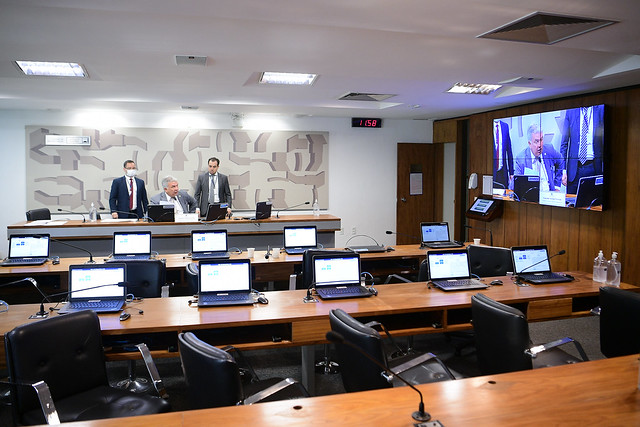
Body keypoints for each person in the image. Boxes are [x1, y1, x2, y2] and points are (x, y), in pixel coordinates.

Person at [560, 105, 604, 194]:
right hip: (574, 171)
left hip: (594, 169)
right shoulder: (571, 111)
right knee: (571, 201)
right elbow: (564, 144)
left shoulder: (600, 109)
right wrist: (563, 170)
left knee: (593, 201)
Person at [514, 123, 564, 192]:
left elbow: (561, 160)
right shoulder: (521, 159)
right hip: (531, 196)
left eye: (541, 140)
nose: (540, 145)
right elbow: (515, 185)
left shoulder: (549, 149)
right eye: (536, 141)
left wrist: (557, 186)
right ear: (529, 143)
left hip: (549, 194)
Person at [493, 120, 514, 190]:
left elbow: (509, 150)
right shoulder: (487, 126)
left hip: (502, 172)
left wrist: (511, 172)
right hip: (490, 172)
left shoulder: (505, 126)